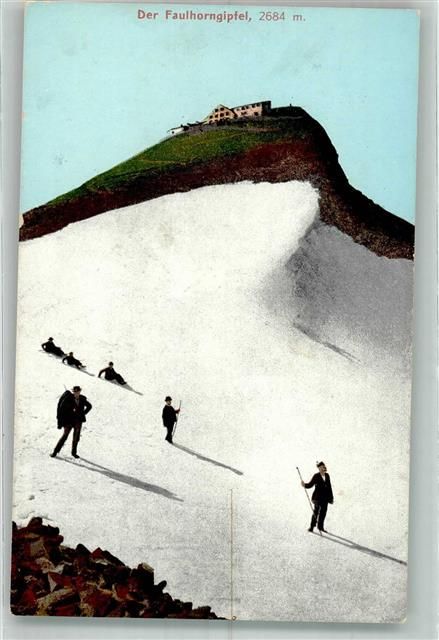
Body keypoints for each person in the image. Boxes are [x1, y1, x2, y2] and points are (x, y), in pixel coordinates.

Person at [51, 386, 92, 459]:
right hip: (69, 421)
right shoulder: (68, 399)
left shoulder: (82, 399)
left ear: (80, 391)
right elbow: (61, 409)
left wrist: (83, 413)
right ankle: (55, 452)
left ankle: (74, 453)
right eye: (75, 392)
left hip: (78, 421)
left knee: (76, 437)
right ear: (73, 392)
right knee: (64, 436)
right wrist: (61, 421)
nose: (76, 393)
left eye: (77, 392)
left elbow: (89, 406)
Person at [301, 461, 334, 533]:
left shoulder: (327, 475)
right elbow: (310, 484)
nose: (321, 468)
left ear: (324, 467)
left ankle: (320, 527)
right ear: (318, 468)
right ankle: (312, 527)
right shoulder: (316, 476)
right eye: (319, 467)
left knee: (323, 513)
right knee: (316, 512)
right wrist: (304, 485)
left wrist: (331, 497)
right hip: (317, 498)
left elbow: (329, 487)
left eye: (322, 467)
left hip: (325, 498)